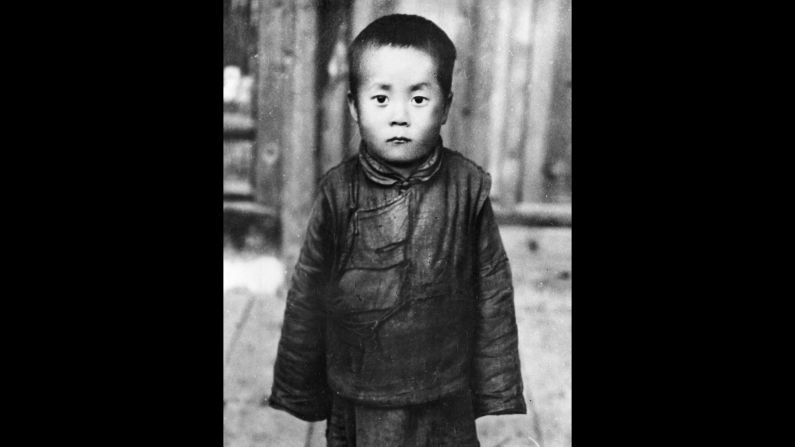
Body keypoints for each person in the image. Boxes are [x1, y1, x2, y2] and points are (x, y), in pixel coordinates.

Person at [268, 14, 526, 446]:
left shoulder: (467, 189)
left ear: (444, 105)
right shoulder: (338, 192)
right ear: (354, 106)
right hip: (362, 387)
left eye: (419, 100)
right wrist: (300, 387)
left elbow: (493, 292)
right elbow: (308, 290)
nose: (400, 117)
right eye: (381, 99)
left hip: (444, 388)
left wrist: (496, 392)